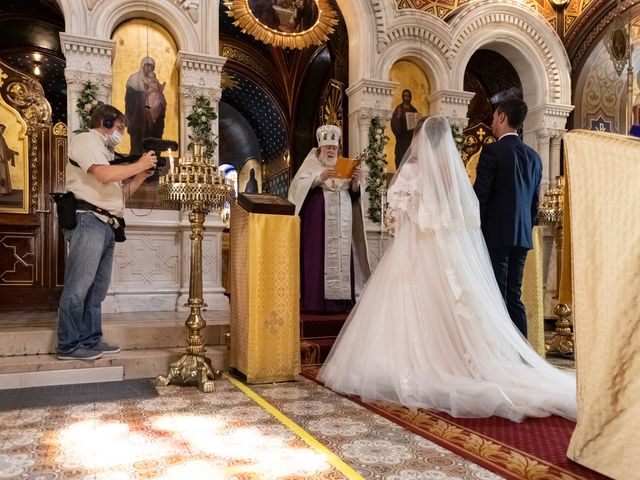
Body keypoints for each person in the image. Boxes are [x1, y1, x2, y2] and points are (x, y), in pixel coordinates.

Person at [318, 116, 576, 422]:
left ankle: (416, 366)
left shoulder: (412, 171)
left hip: (413, 253)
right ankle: (466, 361)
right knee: (458, 307)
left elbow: (395, 219)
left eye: (415, 137)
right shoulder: (451, 174)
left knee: (410, 304)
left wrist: (402, 218)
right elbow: (462, 215)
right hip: (447, 253)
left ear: (420, 139)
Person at [57, 104, 157, 360]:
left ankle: (90, 340)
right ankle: (68, 345)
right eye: (120, 127)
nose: (121, 133)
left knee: (96, 290)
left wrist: (140, 177)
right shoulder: (87, 140)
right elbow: (103, 175)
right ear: (107, 122)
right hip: (88, 219)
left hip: (106, 223)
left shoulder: (105, 151)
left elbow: (118, 196)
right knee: (78, 286)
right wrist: (139, 163)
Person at [473, 99, 542, 337]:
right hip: (522, 236)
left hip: (495, 235)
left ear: (502, 117)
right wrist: (523, 228)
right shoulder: (534, 157)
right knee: (514, 295)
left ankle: (499, 355)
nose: (492, 121)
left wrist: (475, 234)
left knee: (495, 294)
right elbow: (535, 204)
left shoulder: (492, 151)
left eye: (493, 116)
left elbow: (480, 197)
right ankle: (521, 353)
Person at [288, 125, 370, 314]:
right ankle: (315, 303)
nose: (331, 151)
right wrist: (317, 179)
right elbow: (296, 189)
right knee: (317, 257)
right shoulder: (310, 166)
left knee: (342, 256)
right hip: (317, 221)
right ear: (320, 149)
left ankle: (341, 304)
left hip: (343, 220)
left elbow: (355, 193)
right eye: (328, 148)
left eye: (334, 148)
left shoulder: (344, 167)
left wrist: (356, 182)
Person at [125, 56, 167, 155]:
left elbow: (160, 98)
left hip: (153, 119)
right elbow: (130, 97)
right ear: (142, 66)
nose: (149, 69)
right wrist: (143, 95)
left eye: (151, 67)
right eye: (147, 66)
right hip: (138, 117)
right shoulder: (134, 78)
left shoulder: (154, 80)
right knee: (138, 138)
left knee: (154, 136)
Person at [390, 89, 419, 169]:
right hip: (401, 137)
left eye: (408, 96)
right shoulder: (399, 109)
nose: (406, 98)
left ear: (410, 97)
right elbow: (394, 122)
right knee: (400, 156)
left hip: (410, 138)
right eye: (405, 96)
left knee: (410, 157)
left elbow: (417, 123)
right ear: (403, 97)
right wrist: (398, 119)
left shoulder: (413, 110)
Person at [0, 124, 18, 195]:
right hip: (0, 159)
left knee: (3, 174)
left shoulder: (2, 138)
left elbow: (6, 149)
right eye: (1, 129)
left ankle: (3, 191)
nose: (3, 131)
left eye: (3, 129)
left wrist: (12, 152)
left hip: (3, 160)